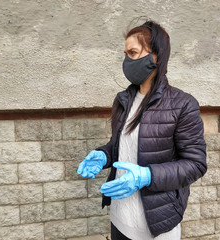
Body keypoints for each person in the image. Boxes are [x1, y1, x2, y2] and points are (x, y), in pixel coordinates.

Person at [77, 19, 207, 240]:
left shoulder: (183, 104)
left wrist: (147, 176)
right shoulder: (123, 100)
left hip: (157, 225)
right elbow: (121, 146)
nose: (127, 60)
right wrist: (103, 155)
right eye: (126, 54)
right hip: (119, 217)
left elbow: (195, 164)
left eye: (133, 53)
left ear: (156, 56)